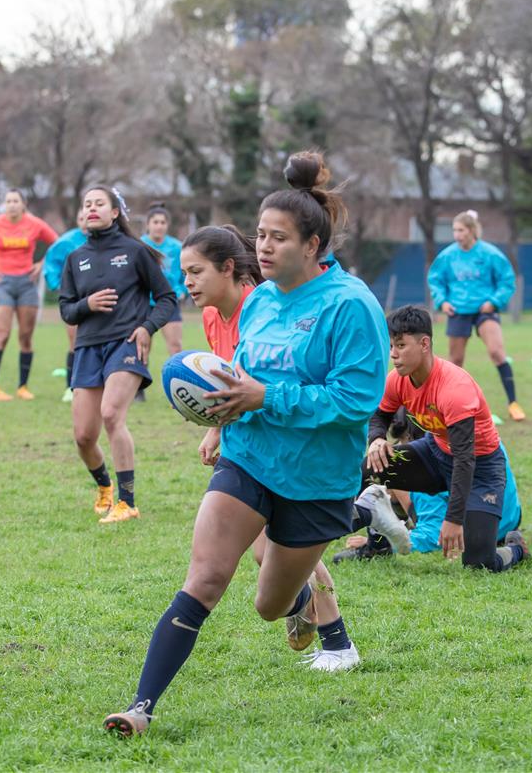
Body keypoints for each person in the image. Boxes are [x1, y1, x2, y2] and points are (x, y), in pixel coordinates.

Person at [103, 152, 387, 737]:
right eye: (259, 234)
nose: (262, 246)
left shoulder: (351, 304)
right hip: (250, 457)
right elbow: (242, 373)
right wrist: (217, 405)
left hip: (316, 481)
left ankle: (305, 595)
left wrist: (266, 396)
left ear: (313, 246)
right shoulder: (259, 300)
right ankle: (141, 707)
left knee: (267, 604)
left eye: (278, 238)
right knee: (204, 578)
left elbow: (356, 402)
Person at [181, 224, 362, 671]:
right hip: (252, 445)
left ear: (228, 269)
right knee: (266, 556)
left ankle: (338, 641)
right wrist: (215, 427)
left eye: (195, 271)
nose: (187, 283)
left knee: (283, 552)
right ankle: (305, 609)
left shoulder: (261, 305)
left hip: (296, 451)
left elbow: (275, 384)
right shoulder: (211, 317)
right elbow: (227, 381)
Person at [362, 305, 530, 573]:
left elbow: (465, 459)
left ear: (425, 343)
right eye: (391, 345)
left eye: (401, 345)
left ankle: (518, 549)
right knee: (371, 468)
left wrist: (453, 520)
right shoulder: (397, 380)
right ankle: (376, 545)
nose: (393, 354)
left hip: (481, 467)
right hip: (436, 452)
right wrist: (377, 439)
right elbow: (379, 416)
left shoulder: (454, 389)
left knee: (479, 564)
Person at [59, 186, 176, 524]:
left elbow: (166, 298)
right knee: (83, 436)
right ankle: (105, 487)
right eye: (87, 204)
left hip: (126, 342)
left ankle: (127, 503)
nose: (92, 208)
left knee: (111, 414)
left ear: (115, 213)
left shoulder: (136, 251)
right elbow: (67, 310)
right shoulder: (74, 258)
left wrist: (147, 328)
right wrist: (88, 305)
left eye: (99, 203)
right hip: (87, 348)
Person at [333, 408, 525, 561]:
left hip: (482, 531)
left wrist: (391, 541)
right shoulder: (477, 432)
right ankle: (381, 534)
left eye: (402, 441)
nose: (399, 447)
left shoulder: (431, 455)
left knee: (386, 473)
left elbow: (433, 535)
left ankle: (378, 544)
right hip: (509, 517)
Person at [0, 189, 59, 401]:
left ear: (23, 204)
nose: (11, 204)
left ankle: (23, 387)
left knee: (25, 337)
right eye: (8, 201)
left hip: (27, 283)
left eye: (15, 201)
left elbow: (57, 244)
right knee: (2, 334)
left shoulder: (35, 224)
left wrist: (41, 264)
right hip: (2, 283)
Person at [428, 210, 525, 421]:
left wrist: (494, 301)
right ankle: (446, 408)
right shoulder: (447, 256)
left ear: (471, 230)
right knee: (455, 361)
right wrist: (442, 301)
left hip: (484, 311)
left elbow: (507, 280)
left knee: (497, 352)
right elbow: (435, 280)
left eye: (460, 230)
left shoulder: (490, 254)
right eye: (454, 230)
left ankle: (513, 403)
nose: (456, 234)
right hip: (458, 311)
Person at [140, 204, 187, 400]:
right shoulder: (140, 245)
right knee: (143, 346)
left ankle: (181, 388)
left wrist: (183, 290)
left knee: (175, 345)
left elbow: (186, 271)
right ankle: (138, 388)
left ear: (167, 225)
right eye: (155, 222)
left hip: (168, 301)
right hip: (145, 302)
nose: (159, 226)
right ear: (148, 225)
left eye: (162, 222)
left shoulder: (176, 247)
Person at [43, 208, 89, 403]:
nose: (85, 221)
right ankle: (71, 387)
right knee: (75, 343)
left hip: (99, 299)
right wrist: (58, 286)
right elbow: (50, 263)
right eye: (81, 218)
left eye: (88, 217)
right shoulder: (66, 242)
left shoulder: (104, 242)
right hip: (74, 301)